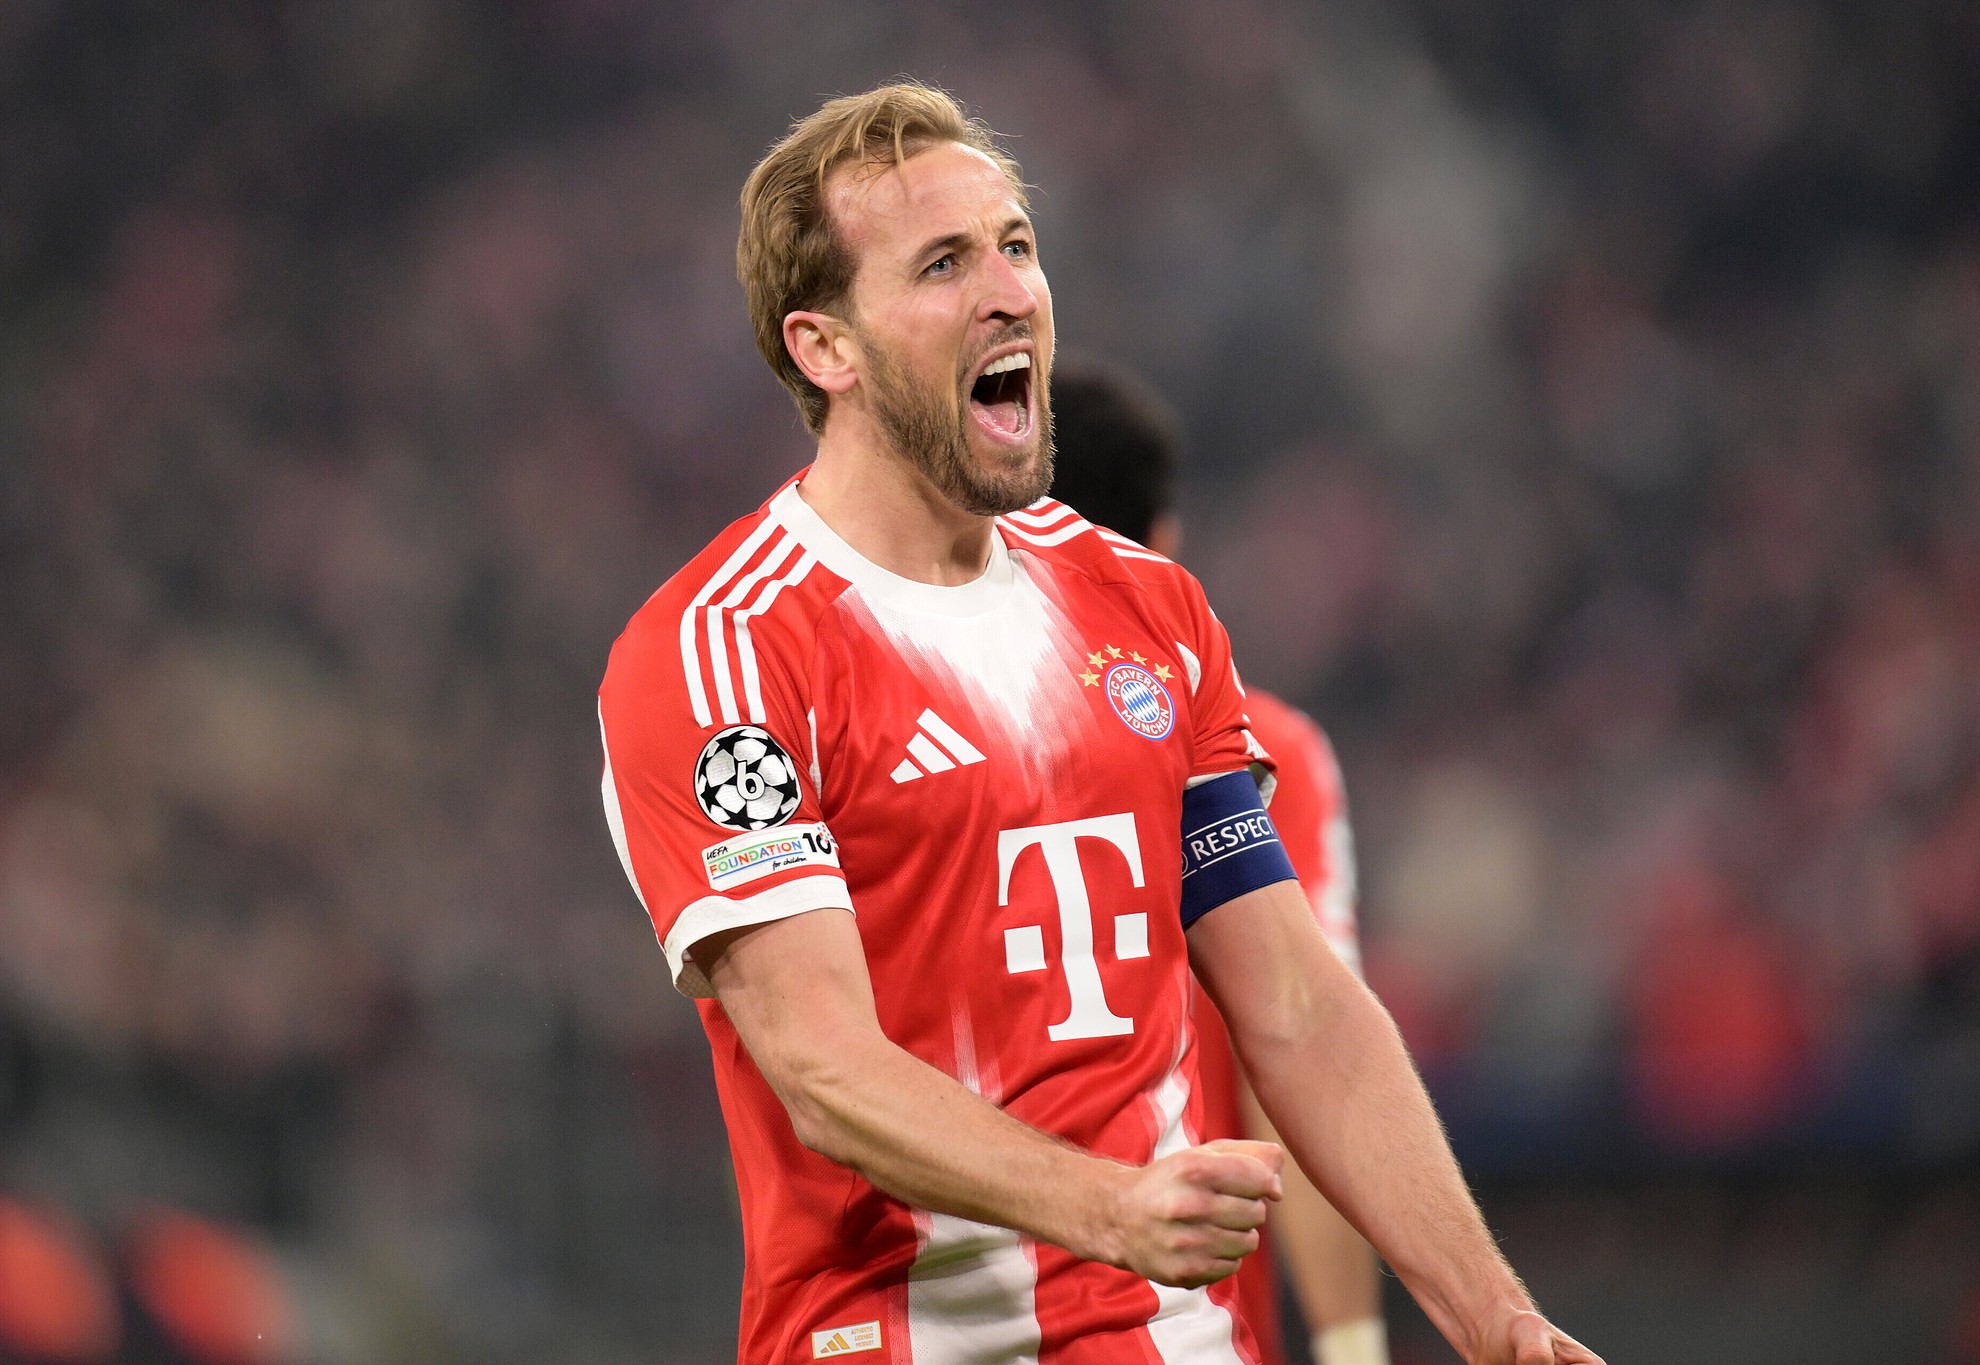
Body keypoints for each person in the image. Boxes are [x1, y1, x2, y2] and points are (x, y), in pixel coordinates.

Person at [597, 82, 1600, 1365]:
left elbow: (1296, 1005)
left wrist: (1492, 1318)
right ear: (824, 348)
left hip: (1162, 1339)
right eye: (943, 264)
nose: (1008, 292)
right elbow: (822, 1069)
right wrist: (1105, 1208)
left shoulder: (1146, 607)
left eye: (1015, 245)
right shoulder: (725, 652)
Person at [1047, 364, 1386, 1365]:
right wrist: (1353, 1343)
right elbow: (1302, 1049)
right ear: (1161, 547)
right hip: (1176, 1327)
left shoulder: (897, 745)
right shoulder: (1254, 749)